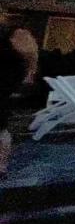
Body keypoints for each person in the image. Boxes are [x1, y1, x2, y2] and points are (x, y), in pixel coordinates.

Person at [0, 25, 39, 177]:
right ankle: (2, 166)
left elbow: (29, 51)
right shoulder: (25, 57)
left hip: (4, 86)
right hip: (5, 89)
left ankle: (1, 166)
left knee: (1, 129)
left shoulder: (11, 42)